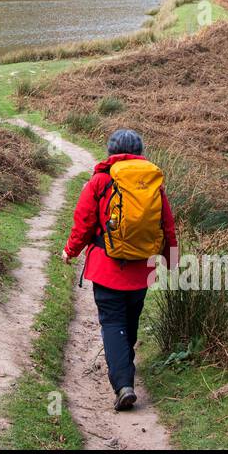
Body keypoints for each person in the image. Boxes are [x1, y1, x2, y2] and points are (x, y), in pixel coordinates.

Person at [61, 128, 177, 411]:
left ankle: (123, 383)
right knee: (130, 319)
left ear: (111, 152)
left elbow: (84, 223)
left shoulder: (101, 180)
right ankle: (124, 367)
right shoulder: (152, 184)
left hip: (106, 268)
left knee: (113, 323)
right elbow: (167, 226)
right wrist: (171, 260)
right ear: (140, 153)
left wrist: (70, 251)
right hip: (141, 270)